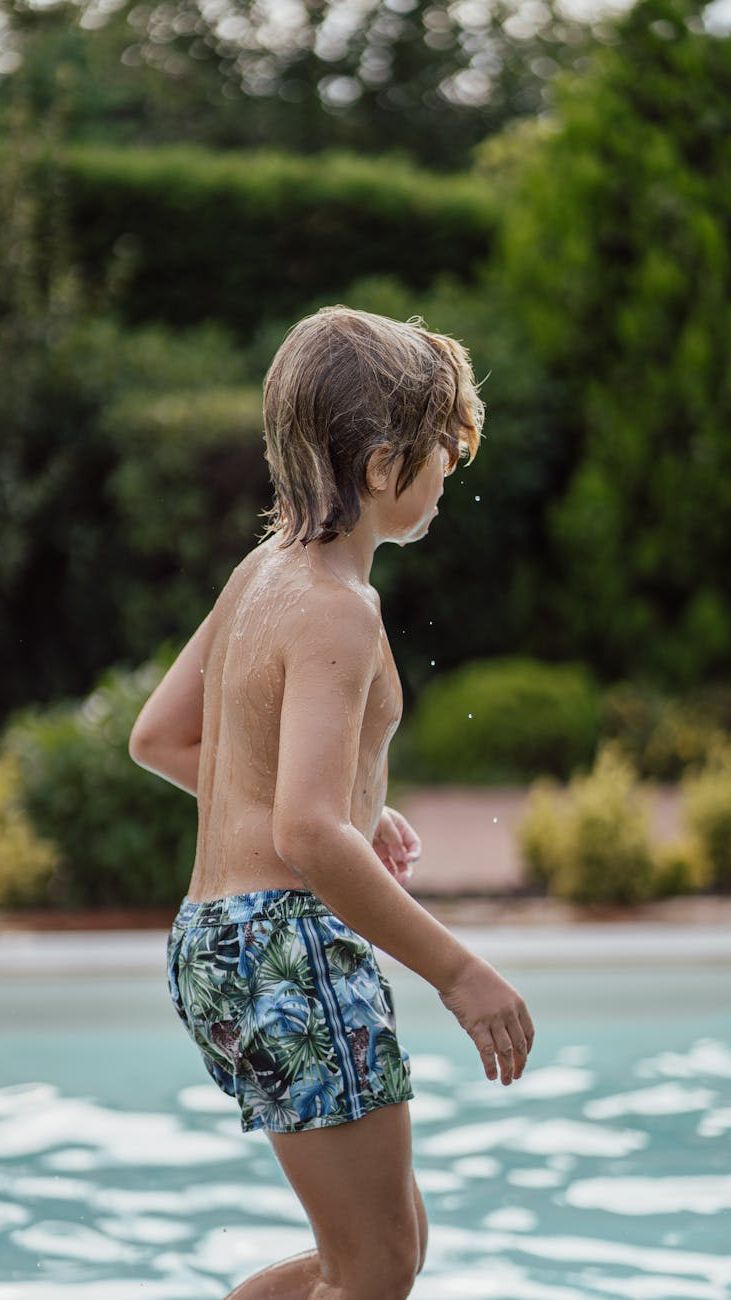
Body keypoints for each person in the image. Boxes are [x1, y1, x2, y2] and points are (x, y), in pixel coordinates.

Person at [128, 305, 535, 1300]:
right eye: (443, 447)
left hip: (214, 945)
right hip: (285, 944)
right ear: (386, 463)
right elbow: (303, 831)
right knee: (378, 1265)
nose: (451, 469)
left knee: (376, 1251)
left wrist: (350, 812)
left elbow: (164, 738)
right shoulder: (337, 610)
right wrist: (460, 970)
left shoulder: (259, 577)